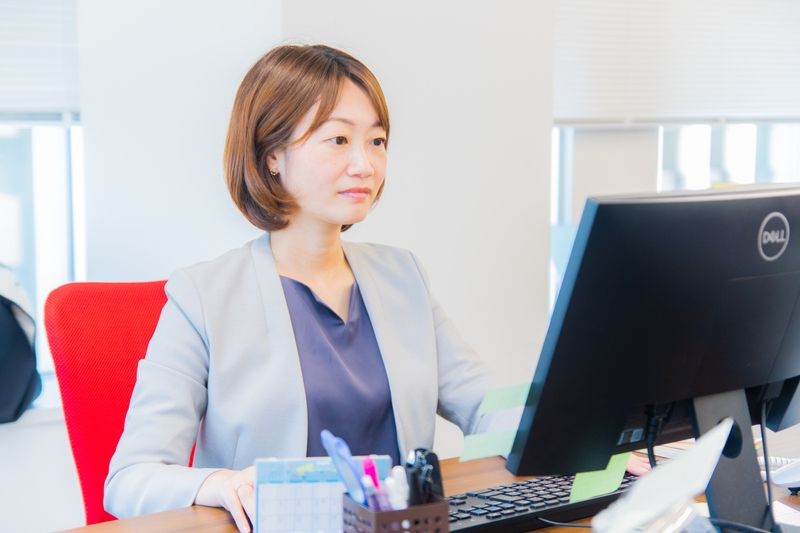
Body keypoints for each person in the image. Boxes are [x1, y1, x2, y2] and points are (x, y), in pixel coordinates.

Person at [104, 44, 650, 532]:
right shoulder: (203, 296)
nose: (365, 164)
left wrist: (586, 448)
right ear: (272, 156)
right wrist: (219, 483)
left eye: (377, 140)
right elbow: (130, 479)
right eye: (339, 139)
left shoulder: (400, 274)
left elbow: (484, 405)